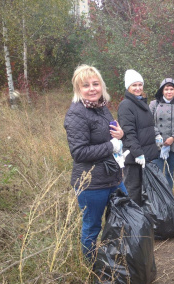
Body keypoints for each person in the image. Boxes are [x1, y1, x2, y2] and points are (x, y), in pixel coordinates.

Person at [64, 64, 126, 261]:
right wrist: (111, 146)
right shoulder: (76, 114)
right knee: (92, 227)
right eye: (85, 85)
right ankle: (91, 268)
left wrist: (120, 135)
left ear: (102, 86)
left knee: (119, 219)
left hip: (113, 177)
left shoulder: (102, 107)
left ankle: (115, 260)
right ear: (78, 89)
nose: (92, 89)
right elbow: (79, 152)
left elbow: (112, 133)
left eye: (95, 84)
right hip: (91, 183)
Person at [118, 69, 160, 206]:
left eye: (140, 85)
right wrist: (138, 153)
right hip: (134, 157)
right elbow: (129, 132)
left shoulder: (142, 103)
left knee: (144, 190)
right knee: (132, 190)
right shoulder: (126, 105)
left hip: (145, 155)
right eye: (134, 85)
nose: (137, 88)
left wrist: (156, 135)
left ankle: (142, 220)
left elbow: (146, 126)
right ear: (128, 87)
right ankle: (132, 221)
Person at [149, 78, 174, 189]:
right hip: (157, 144)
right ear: (162, 90)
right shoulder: (153, 104)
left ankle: (168, 197)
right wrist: (157, 135)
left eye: (171, 89)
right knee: (157, 172)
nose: (169, 92)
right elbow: (148, 122)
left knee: (169, 172)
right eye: (166, 89)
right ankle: (158, 197)